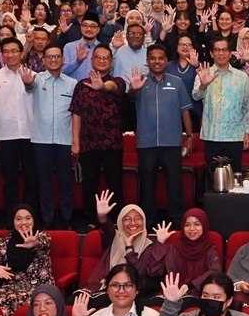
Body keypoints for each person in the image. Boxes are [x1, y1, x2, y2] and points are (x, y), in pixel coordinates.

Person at [128, 43, 193, 227]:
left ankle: (177, 219)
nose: (157, 61)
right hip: (146, 143)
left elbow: (185, 111)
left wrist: (190, 136)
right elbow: (130, 97)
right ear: (147, 61)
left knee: (175, 182)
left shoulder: (177, 82)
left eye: (161, 58)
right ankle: (147, 221)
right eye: (153, 58)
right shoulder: (139, 82)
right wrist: (135, 88)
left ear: (166, 61)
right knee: (147, 183)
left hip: (172, 142)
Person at [69, 44, 127, 229]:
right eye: (98, 57)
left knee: (114, 183)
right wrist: (76, 143)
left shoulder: (118, 82)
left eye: (106, 58)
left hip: (112, 143)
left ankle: (116, 219)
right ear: (92, 60)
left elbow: (111, 87)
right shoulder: (81, 85)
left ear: (111, 62)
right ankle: (92, 220)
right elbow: (76, 114)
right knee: (89, 184)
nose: (102, 60)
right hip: (88, 143)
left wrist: (102, 86)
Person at [0, 38, 39, 211]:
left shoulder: (34, 75)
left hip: (31, 135)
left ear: (22, 53)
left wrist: (30, 83)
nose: (10, 55)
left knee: (32, 178)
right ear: (2, 54)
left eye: (14, 51)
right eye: (6, 51)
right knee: (10, 180)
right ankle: (11, 217)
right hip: (5, 136)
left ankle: (31, 216)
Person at [76, 192, 156, 306]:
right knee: (74, 300)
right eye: (127, 219)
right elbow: (106, 227)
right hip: (104, 286)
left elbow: (139, 273)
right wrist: (102, 216)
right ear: (120, 222)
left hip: (131, 291)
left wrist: (129, 248)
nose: (132, 223)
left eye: (138, 219)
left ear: (144, 222)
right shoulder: (114, 237)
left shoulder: (149, 246)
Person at [30, 44, 76, 229]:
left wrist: (76, 142)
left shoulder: (72, 84)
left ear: (63, 59)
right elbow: (27, 86)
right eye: (49, 57)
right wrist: (27, 81)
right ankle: (47, 219)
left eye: (57, 56)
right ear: (44, 60)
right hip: (41, 140)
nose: (53, 60)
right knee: (44, 182)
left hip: (65, 140)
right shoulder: (35, 80)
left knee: (66, 182)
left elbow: (75, 115)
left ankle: (67, 218)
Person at [193, 36, 249, 166]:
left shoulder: (242, 77)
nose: (221, 53)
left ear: (230, 53)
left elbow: (247, 107)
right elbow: (196, 96)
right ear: (211, 53)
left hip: (235, 136)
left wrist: (247, 132)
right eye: (217, 50)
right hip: (211, 136)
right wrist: (203, 85)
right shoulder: (204, 73)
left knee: (234, 180)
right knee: (212, 179)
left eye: (224, 50)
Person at [0, 205, 54, 316]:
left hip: (39, 286)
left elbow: (43, 242)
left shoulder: (43, 236)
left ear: (34, 220)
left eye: (28, 218)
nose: (23, 222)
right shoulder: (7, 242)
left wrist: (34, 243)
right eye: (18, 219)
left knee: (18, 299)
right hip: (13, 287)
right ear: (13, 221)